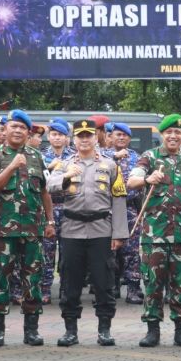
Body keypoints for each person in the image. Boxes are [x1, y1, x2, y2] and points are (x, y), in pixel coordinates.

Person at [127, 114, 181, 348]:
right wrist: (148, 178)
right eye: (169, 132)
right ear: (162, 135)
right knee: (153, 283)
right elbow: (132, 181)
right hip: (154, 236)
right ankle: (152, 330)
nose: (173, 136)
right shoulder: (149, 158)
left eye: (178, 133)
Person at [49, 119, 127, 347]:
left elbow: (119, 199)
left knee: (104, 281)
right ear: (73, 140)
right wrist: (64, 176)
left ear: (96, 138)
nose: (84, 140)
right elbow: (49, 186)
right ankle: (70, 330)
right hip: (72, 230)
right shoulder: (64, 164)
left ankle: (104, 329)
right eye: (80, 136)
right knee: (70, 282)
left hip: (101, 229)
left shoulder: (110, 165)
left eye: (88, 135)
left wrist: (119, 234)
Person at [0, 109, 55, 347]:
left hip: (32, 230)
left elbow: (44, 192)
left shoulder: (36, 156)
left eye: (22, 128)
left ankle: (31, 330)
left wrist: (50, 221)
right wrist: (12, 166)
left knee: (32, 279)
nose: (17, 131)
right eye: (13, 126)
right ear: (5, 130)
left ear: (28, 132)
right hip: (3, 231)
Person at [109, 122, 144, 305]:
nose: (121, 138)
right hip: (107, 210)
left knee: (131, 251)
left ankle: (133, 289)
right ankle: (112, 287)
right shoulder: (102, 156)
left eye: (124, 135)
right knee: (110, 250)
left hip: (130, 208)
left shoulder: (137, 158)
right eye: (118, 134)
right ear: (111, 137)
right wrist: (114, 158)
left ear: (129, 139)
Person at [41, 118, 74, 305]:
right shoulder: (41, 156)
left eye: (61, 135)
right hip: (49, 209)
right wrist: (49, 167)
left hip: (69, 207)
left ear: (66, 137)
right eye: (54, 134)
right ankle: (45, 289)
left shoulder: (73, 156)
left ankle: (66, 288)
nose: (57, 138)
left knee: (67, 252)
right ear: (49, 136)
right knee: (47, 251)